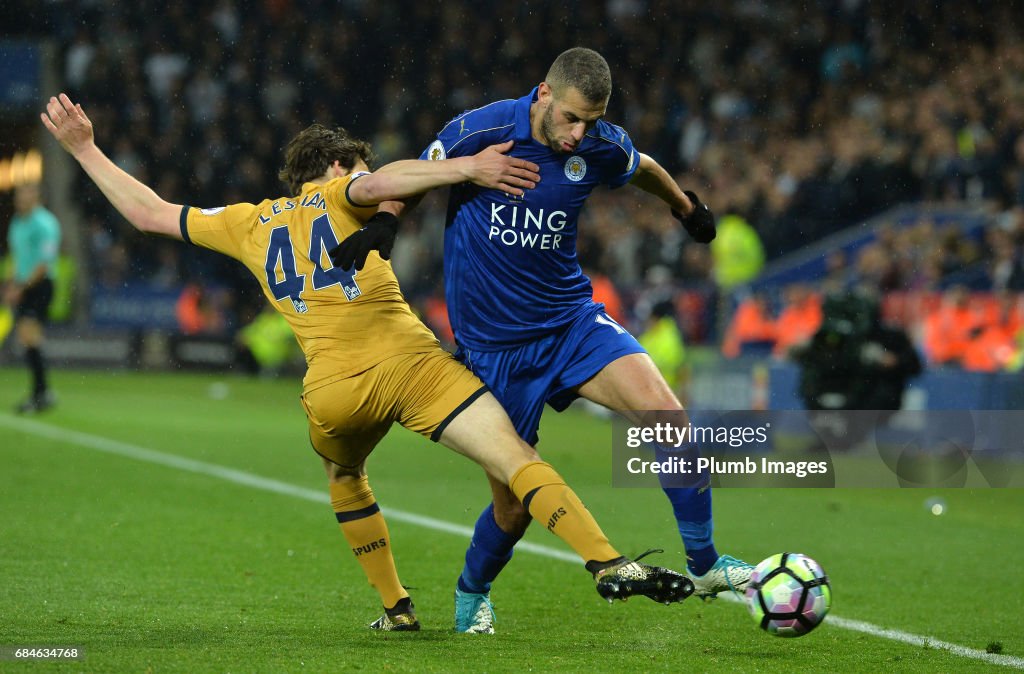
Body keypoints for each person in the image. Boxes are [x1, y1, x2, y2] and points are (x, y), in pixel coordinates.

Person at [41, 93, 693, 632]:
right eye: (352, 165)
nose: (363, 176)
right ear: (330, 165)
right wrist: (464, 169)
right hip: (413, 366)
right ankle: (606, 561)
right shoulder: (343, 191)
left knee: (344, 473)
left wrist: (83, 148)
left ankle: (396, 608)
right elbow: (383, 183)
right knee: (518, 461)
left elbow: (148, 212)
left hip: (334, 389)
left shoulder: (246, 222)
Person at [331, 47, 753, 634]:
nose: (580, 136)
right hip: (495, 352)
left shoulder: (599, 143)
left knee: (668, 418)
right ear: (544, 94)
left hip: (570, 323)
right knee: (512, 509)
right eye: (572, 119)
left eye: (592, 122)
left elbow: (644, 165)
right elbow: (418, 173)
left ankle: (705, 565)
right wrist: (389, 220)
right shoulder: (480, 129)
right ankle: (472, 591)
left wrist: (685, 208)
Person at [4, 183, 61, 413]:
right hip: (22, 286)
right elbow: (16, 257)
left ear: (35, 197)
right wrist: (11, 285)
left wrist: (21, 287)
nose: (19, 199)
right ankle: (42, 392)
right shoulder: (17, 222)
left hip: (41, 286)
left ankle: (41, 393)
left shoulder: (45, 224)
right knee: (27, 338)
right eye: (18, 194)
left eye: (24, 194)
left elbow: (44, 263)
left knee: (29, 335)